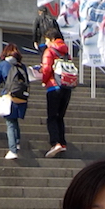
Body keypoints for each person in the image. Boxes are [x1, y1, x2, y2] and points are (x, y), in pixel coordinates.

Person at [0, 43, 29, 160]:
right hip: (21, 96)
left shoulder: (3, 64)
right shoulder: (22, 66)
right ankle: (16, 143)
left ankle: (12, 150)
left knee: (10, 123)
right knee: (14, 120)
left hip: (9, 96)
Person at [39, 28, 72, 158]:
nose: (46, 43)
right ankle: (62, 143)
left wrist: (43, 80)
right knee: (60, 117)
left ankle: (55, 143)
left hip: (53, 86)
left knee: (52, 117)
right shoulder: (66, 52)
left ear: (52, 39)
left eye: (46, 40)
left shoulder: (49, 51)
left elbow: (47, 69)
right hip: (66, 86)